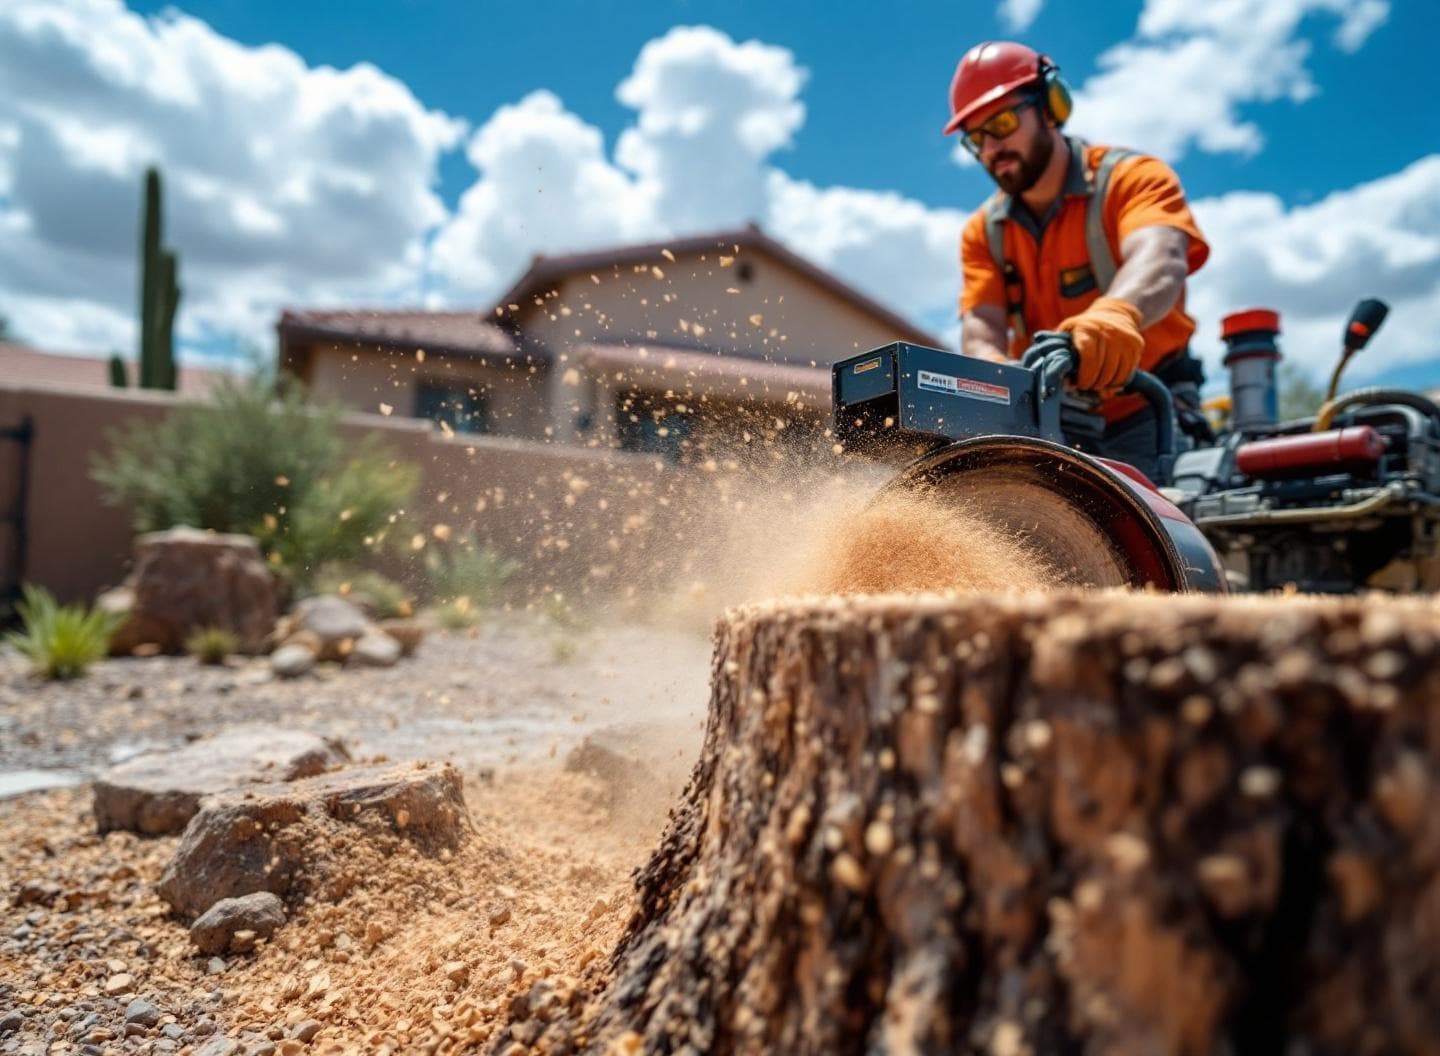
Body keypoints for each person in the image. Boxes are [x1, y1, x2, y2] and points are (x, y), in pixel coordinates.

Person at [946, 41, 1212, 481]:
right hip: (1052, 419)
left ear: (1052, 105)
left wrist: (1115, 315)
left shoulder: (1133, 179)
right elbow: (981, 325)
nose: (992, 147)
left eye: (1003, 122)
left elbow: (1160, 258)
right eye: (976, 138)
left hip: (1148, 408)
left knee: (1147, 533)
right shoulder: (984, 232)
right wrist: (1000, 375)